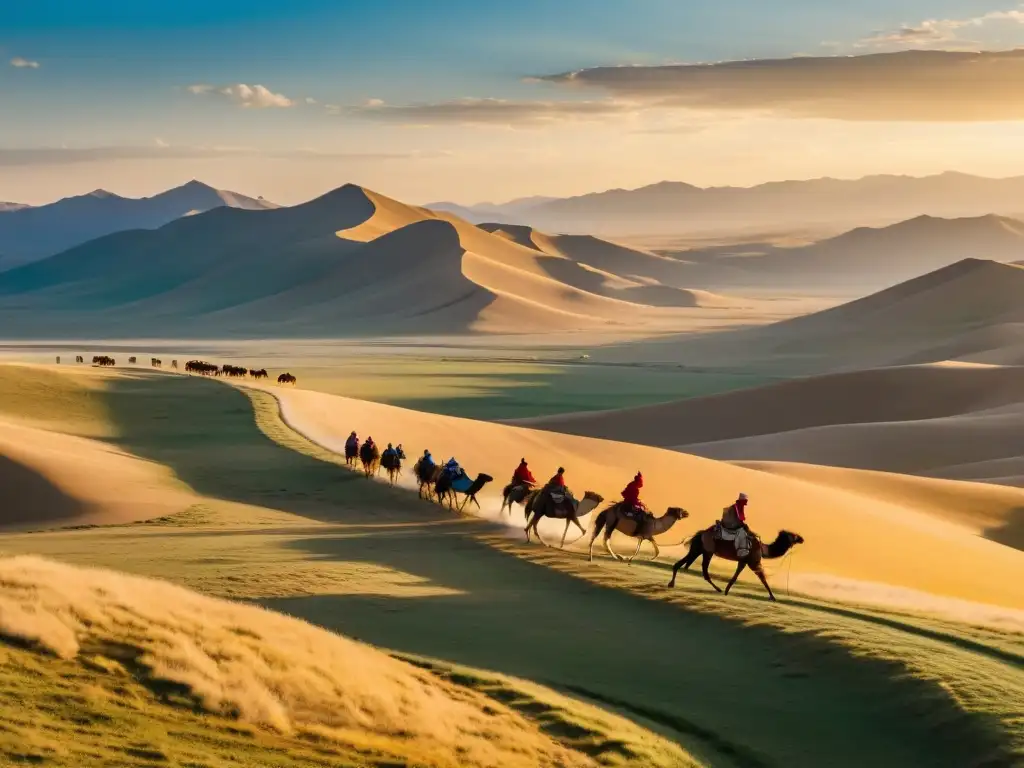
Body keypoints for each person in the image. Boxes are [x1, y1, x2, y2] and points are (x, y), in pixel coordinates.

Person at [720, 492, 751, 558]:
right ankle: (740, 551)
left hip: (733, 523)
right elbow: (740, 518)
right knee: (741, 532)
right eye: (745, 500)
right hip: (730, 524)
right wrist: (742, 524)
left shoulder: (740, 506)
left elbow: (741, 518)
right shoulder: (736, 506)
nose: (746, 502)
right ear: (742, 500)